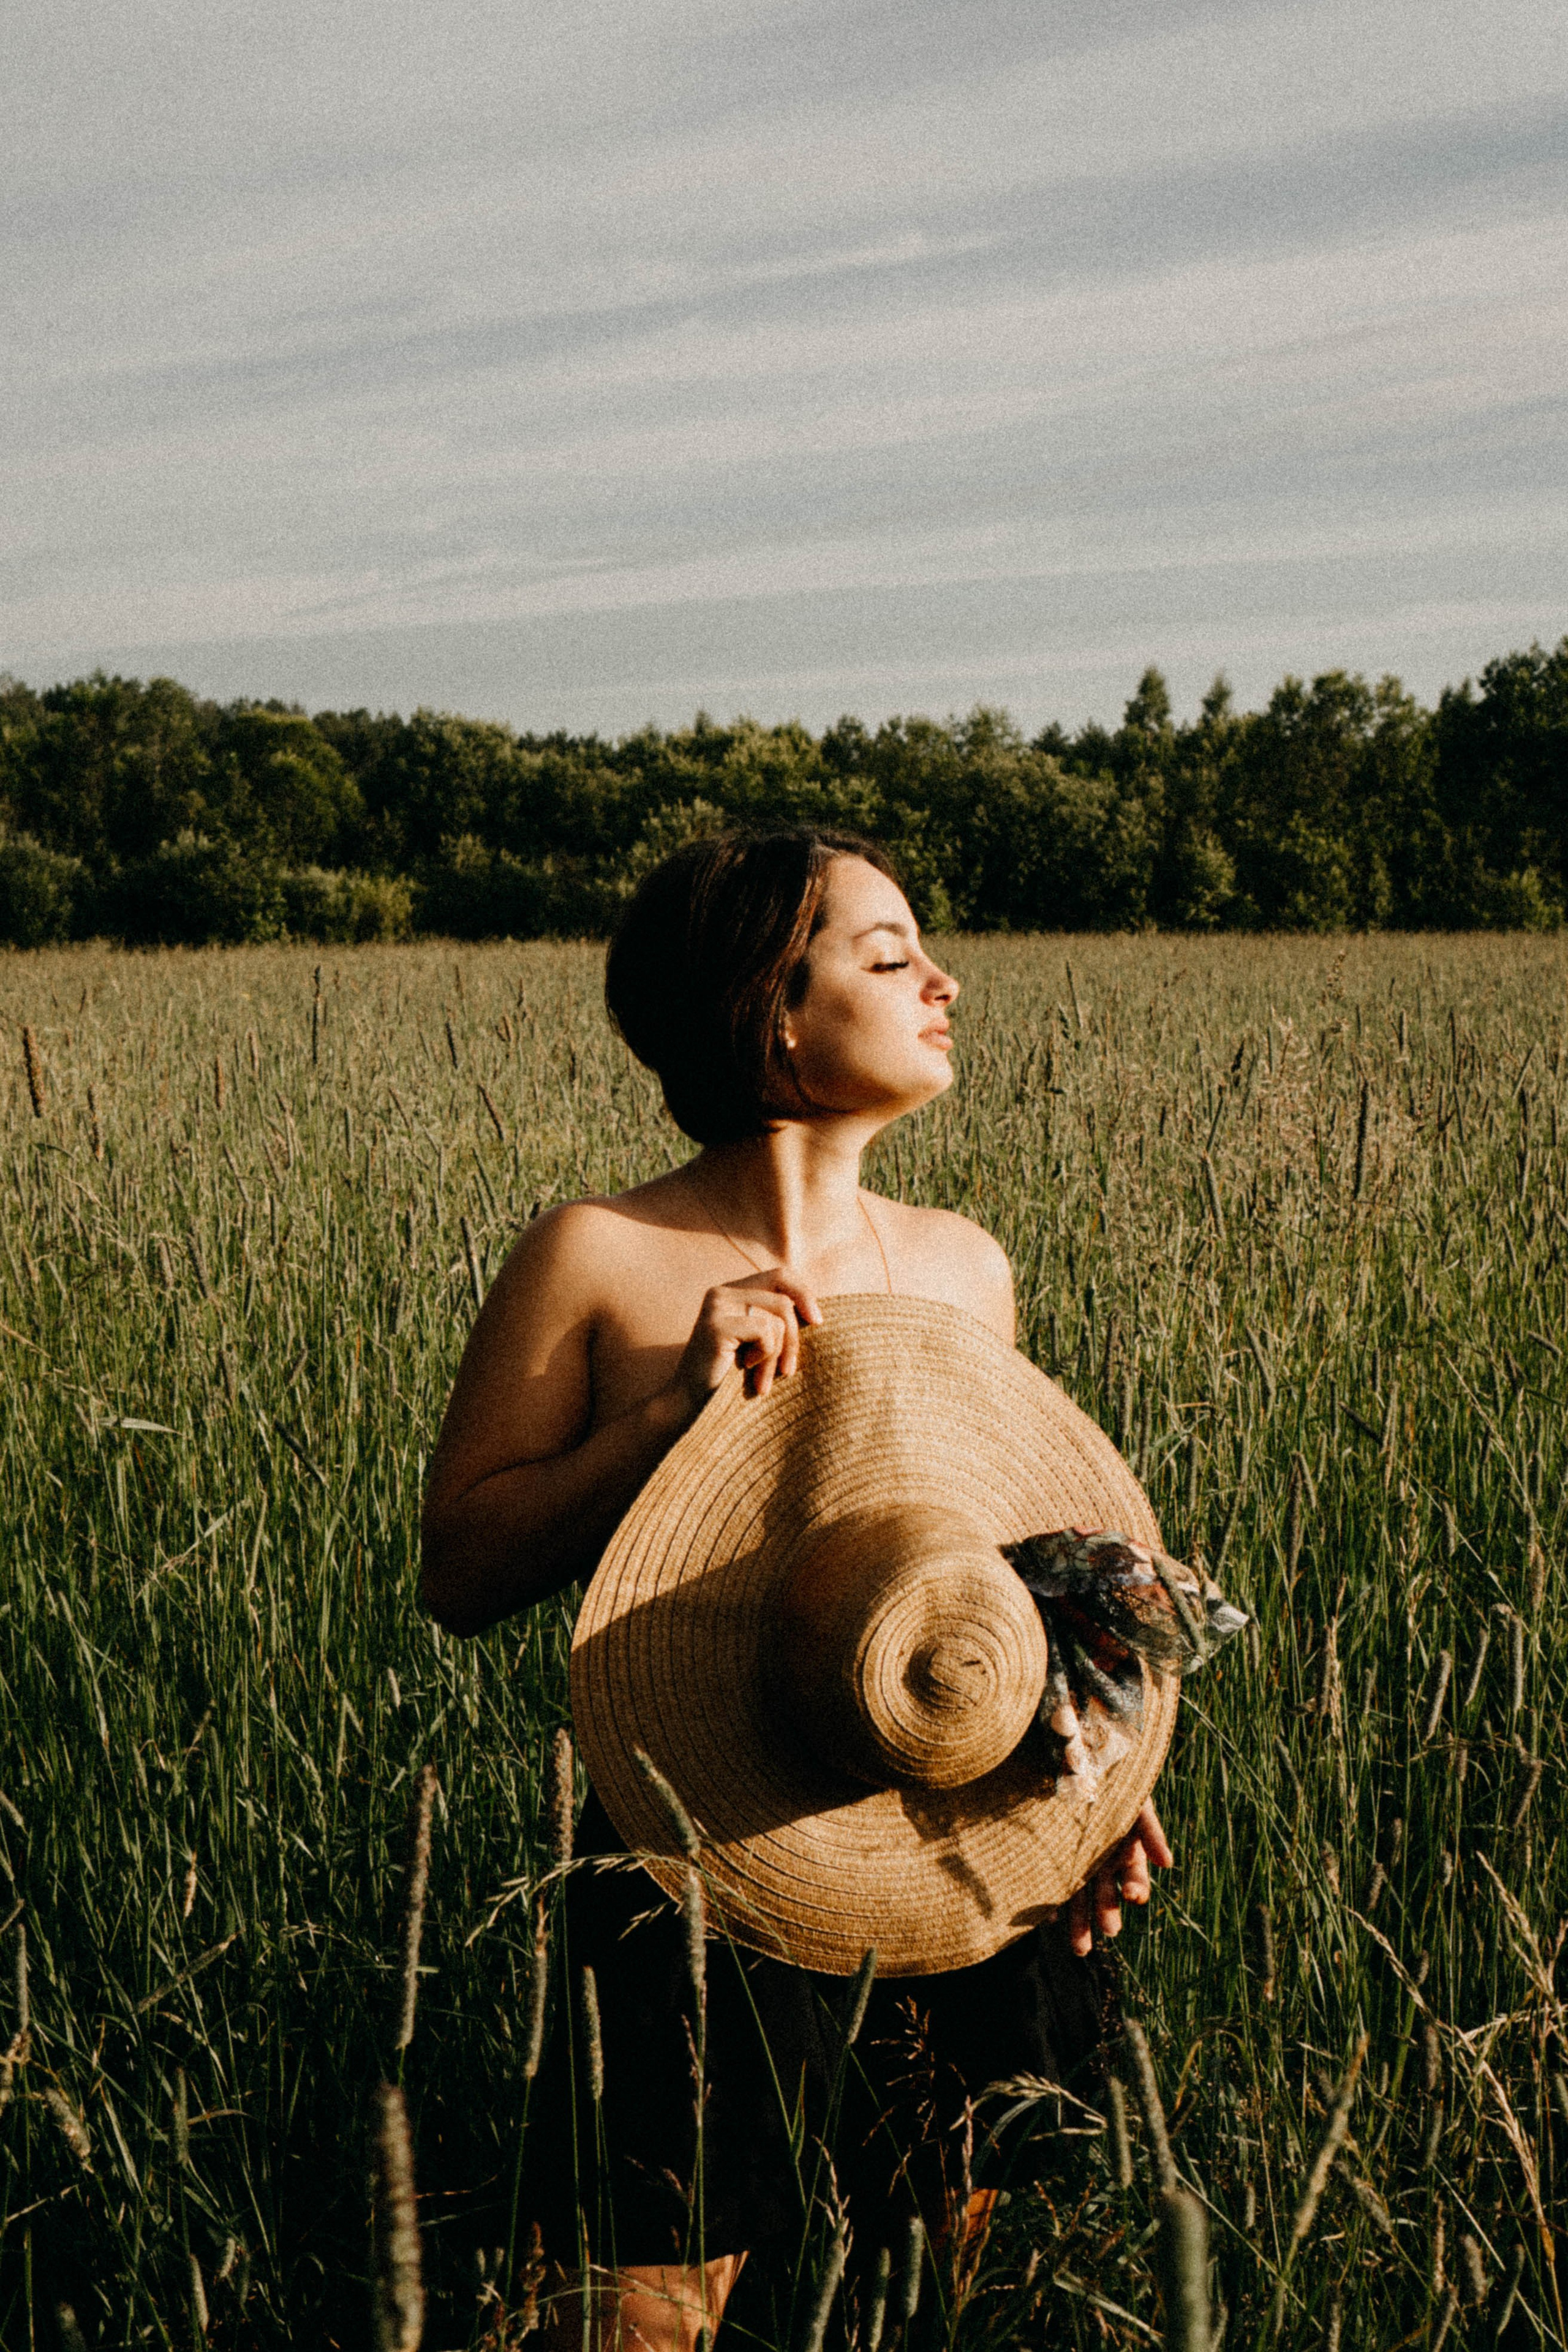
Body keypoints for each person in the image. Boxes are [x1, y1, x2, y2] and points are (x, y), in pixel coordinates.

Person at [421, 829, 1172, 2350]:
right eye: (891, 957)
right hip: (693, 1839)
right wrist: (666, 1417)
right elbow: (463, 1565)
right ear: (772, 1005)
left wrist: (1094, 1783)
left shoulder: (967, 1269)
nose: (943, 983)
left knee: (920, 2262)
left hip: (945, 1821)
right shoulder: (598, 1253)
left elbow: (1004, 1581)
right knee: (645, 2284)